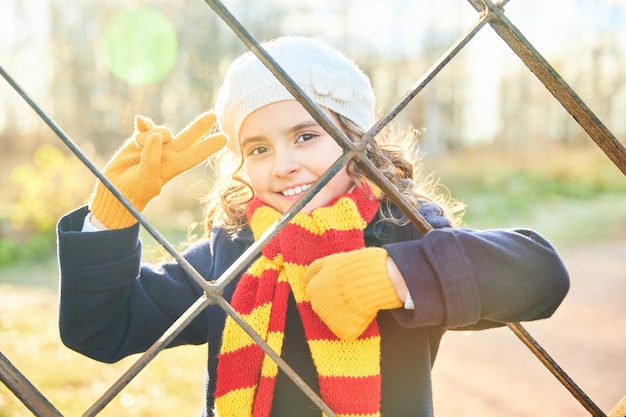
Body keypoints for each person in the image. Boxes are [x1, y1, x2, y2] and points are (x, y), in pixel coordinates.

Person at [57, 36, 570, 417]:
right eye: (257, 148)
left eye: (305, 135)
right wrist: (110, 214)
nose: (283, 164)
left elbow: (543, 277)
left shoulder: (400, 229)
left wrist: (393, 275)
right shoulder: (234, 252)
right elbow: (102, 329)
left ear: (356, 140)